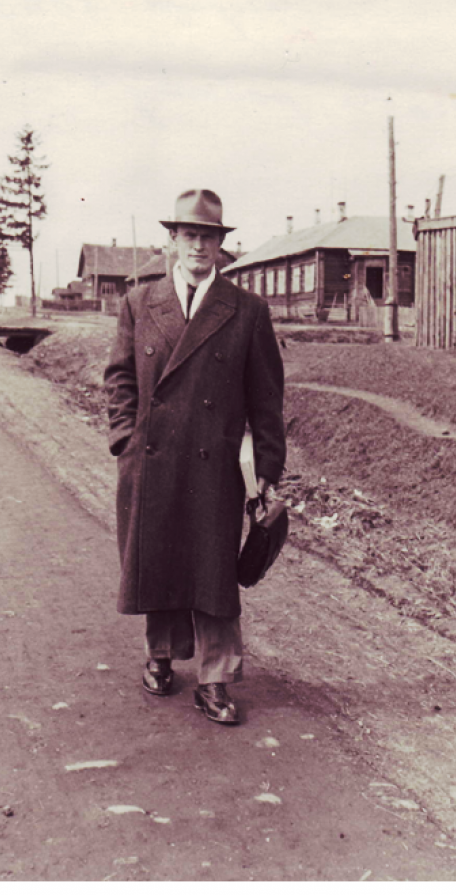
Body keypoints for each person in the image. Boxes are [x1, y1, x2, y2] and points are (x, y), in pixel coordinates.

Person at [104, 189, 285, 725]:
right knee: (156, 559)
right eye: (189, 235)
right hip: (152, 460)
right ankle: (160, 655)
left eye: (208, 236)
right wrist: (125, 438)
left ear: (220, 244)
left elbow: (266, 398)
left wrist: (267, 470)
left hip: (215, 465)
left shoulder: (247, 310)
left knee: (213, 572)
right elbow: (119, 377)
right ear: (173, 240)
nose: (198, 246)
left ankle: (215, 678)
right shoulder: (139, 302)